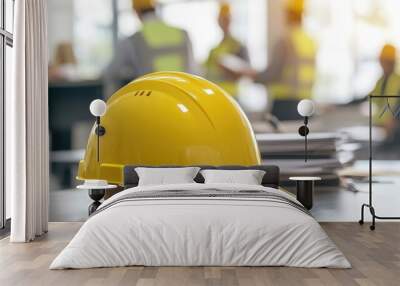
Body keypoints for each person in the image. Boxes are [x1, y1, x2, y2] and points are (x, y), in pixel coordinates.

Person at [235, 0, 316, 120]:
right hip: (306, 106)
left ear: (288, 14)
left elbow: (272, 74)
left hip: (285, 106)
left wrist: (249, 74)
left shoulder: (286, 41)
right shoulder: (310, 41)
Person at [103, 0, 198, 97]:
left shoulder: (132, 40)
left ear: (136, 12)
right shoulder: (183, 33)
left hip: (152, 101)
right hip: (185, 98)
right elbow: (195, 71)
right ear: (155, 8)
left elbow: (111, 72)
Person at [204, 2, 249, 97]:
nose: (224, 22)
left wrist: (229, 70)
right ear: (218, 21)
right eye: (222, 19)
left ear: (231, 20)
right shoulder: (213, 50)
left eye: (226, 19)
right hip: (214, 94)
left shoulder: (238, 46)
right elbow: (206, 73)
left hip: (232, 95)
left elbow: (246, 72)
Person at [370, 44, 400, 148]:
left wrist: (395, 119)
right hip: (381, 128)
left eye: (388, 61)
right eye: (382, 61)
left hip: (394, 130)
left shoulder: (397, 80)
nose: (384, 64)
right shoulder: (381, 81)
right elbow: (367, 97)